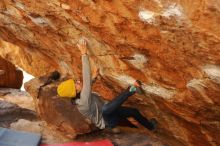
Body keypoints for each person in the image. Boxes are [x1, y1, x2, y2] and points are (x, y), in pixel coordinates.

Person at [74, 39, 157, 133]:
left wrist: (94, 78)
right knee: (105, 109)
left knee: (133, 112)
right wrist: (84, 54)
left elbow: (88, 86)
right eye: (76, 84)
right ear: (76, 91)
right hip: (107, 120)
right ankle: (132, 89)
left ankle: (151, 127)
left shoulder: (81, 97)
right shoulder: (83, 102)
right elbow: (86, 79)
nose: (78, 81)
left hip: (111, 112)